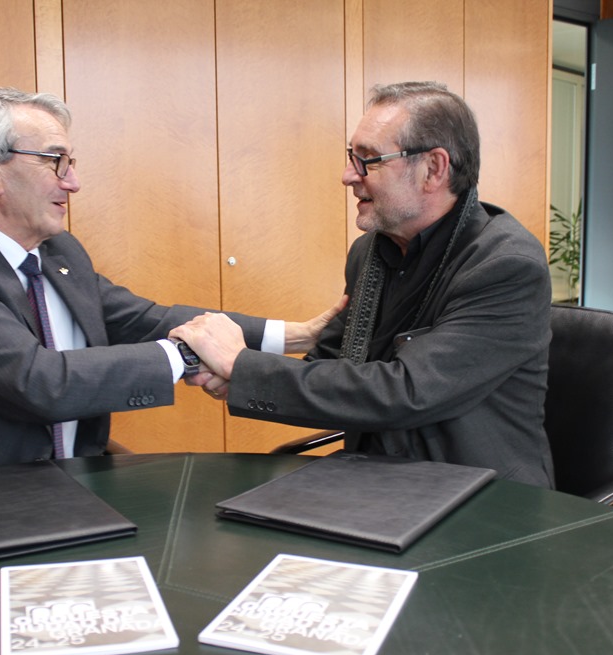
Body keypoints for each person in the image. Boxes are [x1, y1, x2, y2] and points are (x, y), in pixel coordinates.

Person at [0, 88, 337, 486]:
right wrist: (190, 354)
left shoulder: (59, 253)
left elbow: (147, 320)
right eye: (56, 161)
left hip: (68, 489)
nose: (74, 182)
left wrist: (299, 336)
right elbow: (37, 382)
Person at [170, 81, 555, 488]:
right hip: (377, 481)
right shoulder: (370, 252)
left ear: (434, 169)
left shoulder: (506, 265)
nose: (348, 176)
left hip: (481, 495)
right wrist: (236, 380)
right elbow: (331, 370)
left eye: (369, 160)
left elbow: (407, 392)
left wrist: (241, 365)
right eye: (352, 157)